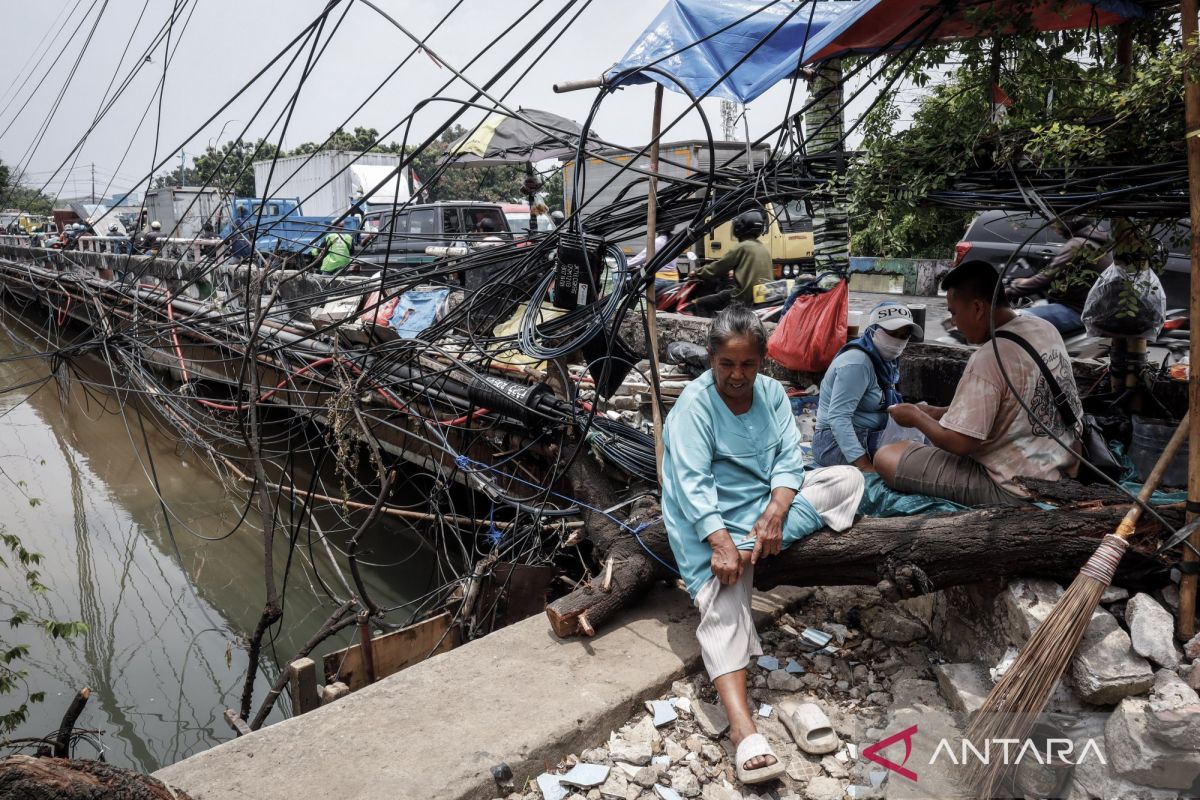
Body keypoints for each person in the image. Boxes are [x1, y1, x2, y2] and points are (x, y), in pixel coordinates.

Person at [662, 305, 864, 784]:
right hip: (706, 519)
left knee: (847, 479)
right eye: (726, 364)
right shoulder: (694, 405)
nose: (736, 375)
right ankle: (741, 727)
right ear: (711, 359)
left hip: (764, 512)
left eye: (747, 364)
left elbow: (790, 461)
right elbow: (691, 484)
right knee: (723, 600)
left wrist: (775, 512)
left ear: (762, 361)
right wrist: (720, 542)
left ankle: (756, 547)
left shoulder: (772, 394)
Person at [874, 260, 1082, 507]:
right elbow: (1006, 409)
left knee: (886, 456)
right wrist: (936, 413)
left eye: (953, 313)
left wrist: (915, 417)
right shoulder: (1045, 328)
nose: (955, 324)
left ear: (977, 308)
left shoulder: (990, 356)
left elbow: (961, 443)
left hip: (1015, 487)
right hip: (1062, 468)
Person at [813, 302, 922, 470]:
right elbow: (838, 418)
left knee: (923, 446)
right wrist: (865, 466)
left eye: (904, 335)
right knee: (912, 462)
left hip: (870, 435)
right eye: (892, 333)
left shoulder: (887, 363)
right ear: (873, 330)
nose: (897, 341)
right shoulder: (857, 363)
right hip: (833, 444)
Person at [1005, 216, 1112, 336]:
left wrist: (1006, 294)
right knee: (1038, 305)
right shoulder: (1097, 243)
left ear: (1069, 222)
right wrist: (1025, 281)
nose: (1054, 226)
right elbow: (1053, 276)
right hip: (1093, 311)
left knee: (1011, 321)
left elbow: (1045, 279)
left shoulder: (1077, 245)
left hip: (1077, 311)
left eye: (1057, 222)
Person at [691, 209, 772, 314]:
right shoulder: (763, 248)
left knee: (700, 303)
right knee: (725, 293)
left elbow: (718, 268)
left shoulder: (742, 247)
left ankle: (708, 330)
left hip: (744, 296)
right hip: (765, 295)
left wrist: (697, 272)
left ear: (739, 228)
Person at [627, 224, 679, 293]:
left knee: (641, 296)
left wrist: (624, 265)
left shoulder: (658, 241)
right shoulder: (676, 240)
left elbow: (642, 258)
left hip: (658, 280)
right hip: (673, 280)